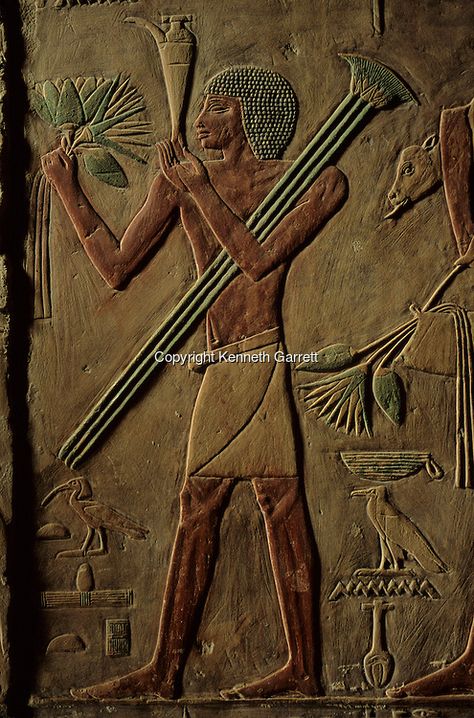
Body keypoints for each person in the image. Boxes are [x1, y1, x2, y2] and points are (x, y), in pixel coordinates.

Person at [42, 66, 347, 700]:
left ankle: (185, 672)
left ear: (248, 117)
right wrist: (66, 187)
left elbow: (257, 259)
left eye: (216, 106)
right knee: (272, 506)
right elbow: (117, 266)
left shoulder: (308, 181)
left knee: (223, 506)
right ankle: (284, 669)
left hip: (254, 357)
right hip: (226, 361)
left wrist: (201, 189)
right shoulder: (184, 184)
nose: (200, 118)